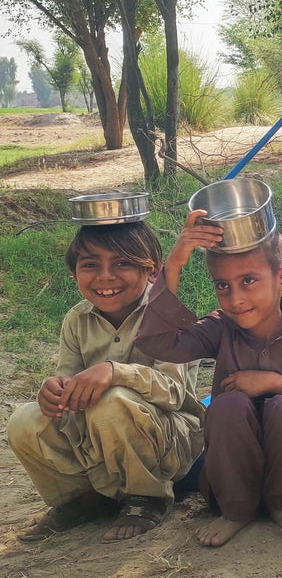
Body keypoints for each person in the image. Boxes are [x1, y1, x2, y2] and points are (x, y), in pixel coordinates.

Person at [133, 211, 282, 547]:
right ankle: (237, 510)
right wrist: (174, 264)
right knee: (227, 405)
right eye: (223, 285)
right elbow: (159, 343)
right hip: (234, 468)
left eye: (248, 281)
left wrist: (279, 384)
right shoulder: (221, 327)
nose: (235, 299)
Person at [7, 222, 204, 543]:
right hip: (102, 439)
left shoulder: (168, 315)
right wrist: (54, 391)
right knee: (24, 421)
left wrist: (116, 372)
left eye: (122, 263)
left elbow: (173, 392)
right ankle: (83, 499)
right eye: (90, 265)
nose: (105, 276)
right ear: (75, 275)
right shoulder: (76, 319)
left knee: (112, 400)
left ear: (153, 272)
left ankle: (147, 498)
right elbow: (66, 375)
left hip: (169, 441)